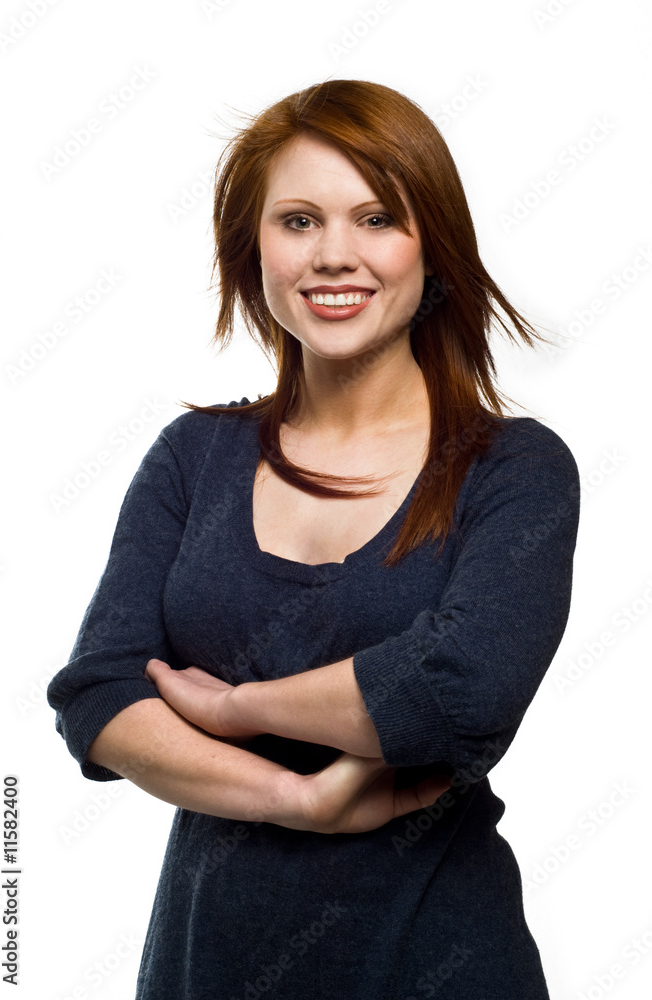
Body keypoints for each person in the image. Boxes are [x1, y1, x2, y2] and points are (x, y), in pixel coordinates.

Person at [47, 78, 580, 999]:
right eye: (298, 221)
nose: (335, 255)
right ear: (252, 251)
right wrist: (299, 801)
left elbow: (465, 690)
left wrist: (234, 710)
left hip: (438, 965)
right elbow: (98, 695)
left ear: (433, 247)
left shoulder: (512, 468)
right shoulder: (193, 457)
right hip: (204, 965)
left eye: (377, 217)